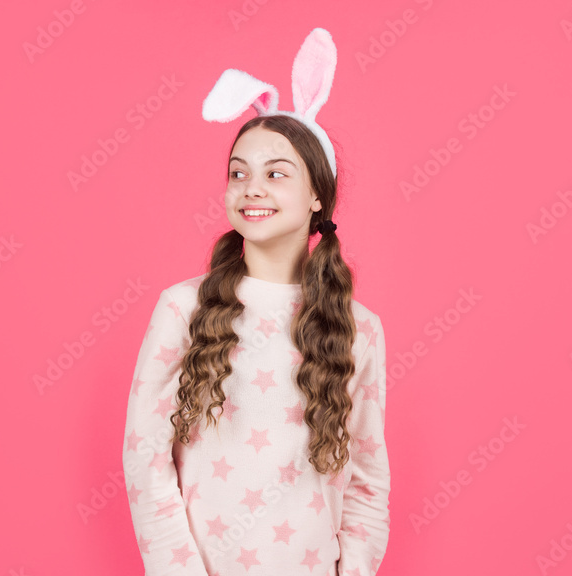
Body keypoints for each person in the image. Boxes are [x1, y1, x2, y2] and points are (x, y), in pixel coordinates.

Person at [122, 28, 390, 576]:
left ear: (317, 194)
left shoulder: (358, 329)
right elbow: (145, 459)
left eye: (275, 174)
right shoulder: (183, 309)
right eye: (238, 173)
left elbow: (367, 475)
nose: (251, 188)